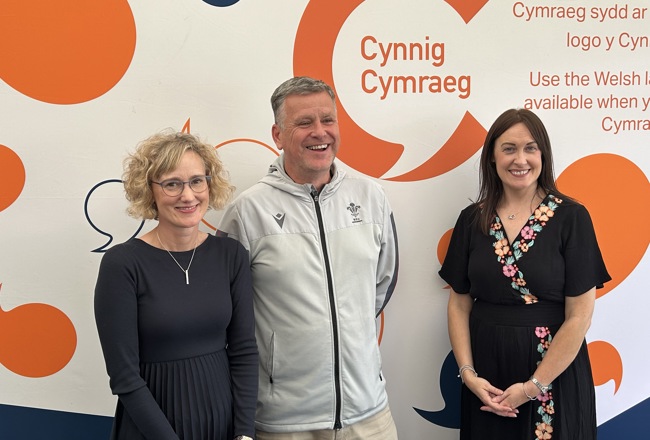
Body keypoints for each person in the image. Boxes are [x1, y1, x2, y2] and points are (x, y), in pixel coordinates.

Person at [217, 76, 400, 439]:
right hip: (284, 421)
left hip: (368, 413)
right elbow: (229, 309)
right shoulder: (248, 211)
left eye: (328, 120)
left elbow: (382, 283)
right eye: (304, 123)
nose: (320, 132)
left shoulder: (371, 197)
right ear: (278, 135)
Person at [439, 108, 611, 439]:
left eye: (531, 148)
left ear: (543, 155)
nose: (521, 159)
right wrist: (468, 374)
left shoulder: (572, 218)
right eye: (509, 148)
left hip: (552, 375)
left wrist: (532, 386)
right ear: (492, 157)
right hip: (486, 379)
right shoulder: (471, 220)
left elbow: (579, 317)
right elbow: (459, 303)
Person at [94, 131, 258, 440]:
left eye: (197, 180)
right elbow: (124, 376)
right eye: (172, 184)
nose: (188, 195)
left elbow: (244, 351)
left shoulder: (231, 255)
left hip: (223, 426)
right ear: (149, 190)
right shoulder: (122, 265)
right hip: (151, 430)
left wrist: (244, 433)